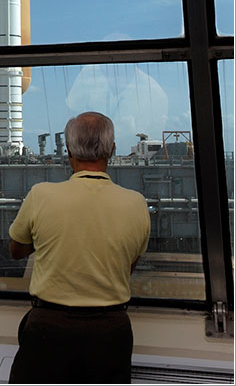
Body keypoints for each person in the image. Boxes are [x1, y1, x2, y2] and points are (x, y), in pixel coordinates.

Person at [8, 111, 150, 385]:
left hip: (47, 328)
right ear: (112, 150)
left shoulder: (40, 195)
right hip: (111, 333)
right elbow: (128, 265)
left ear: (69, 150)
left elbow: (16, 250)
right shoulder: (137, 203)